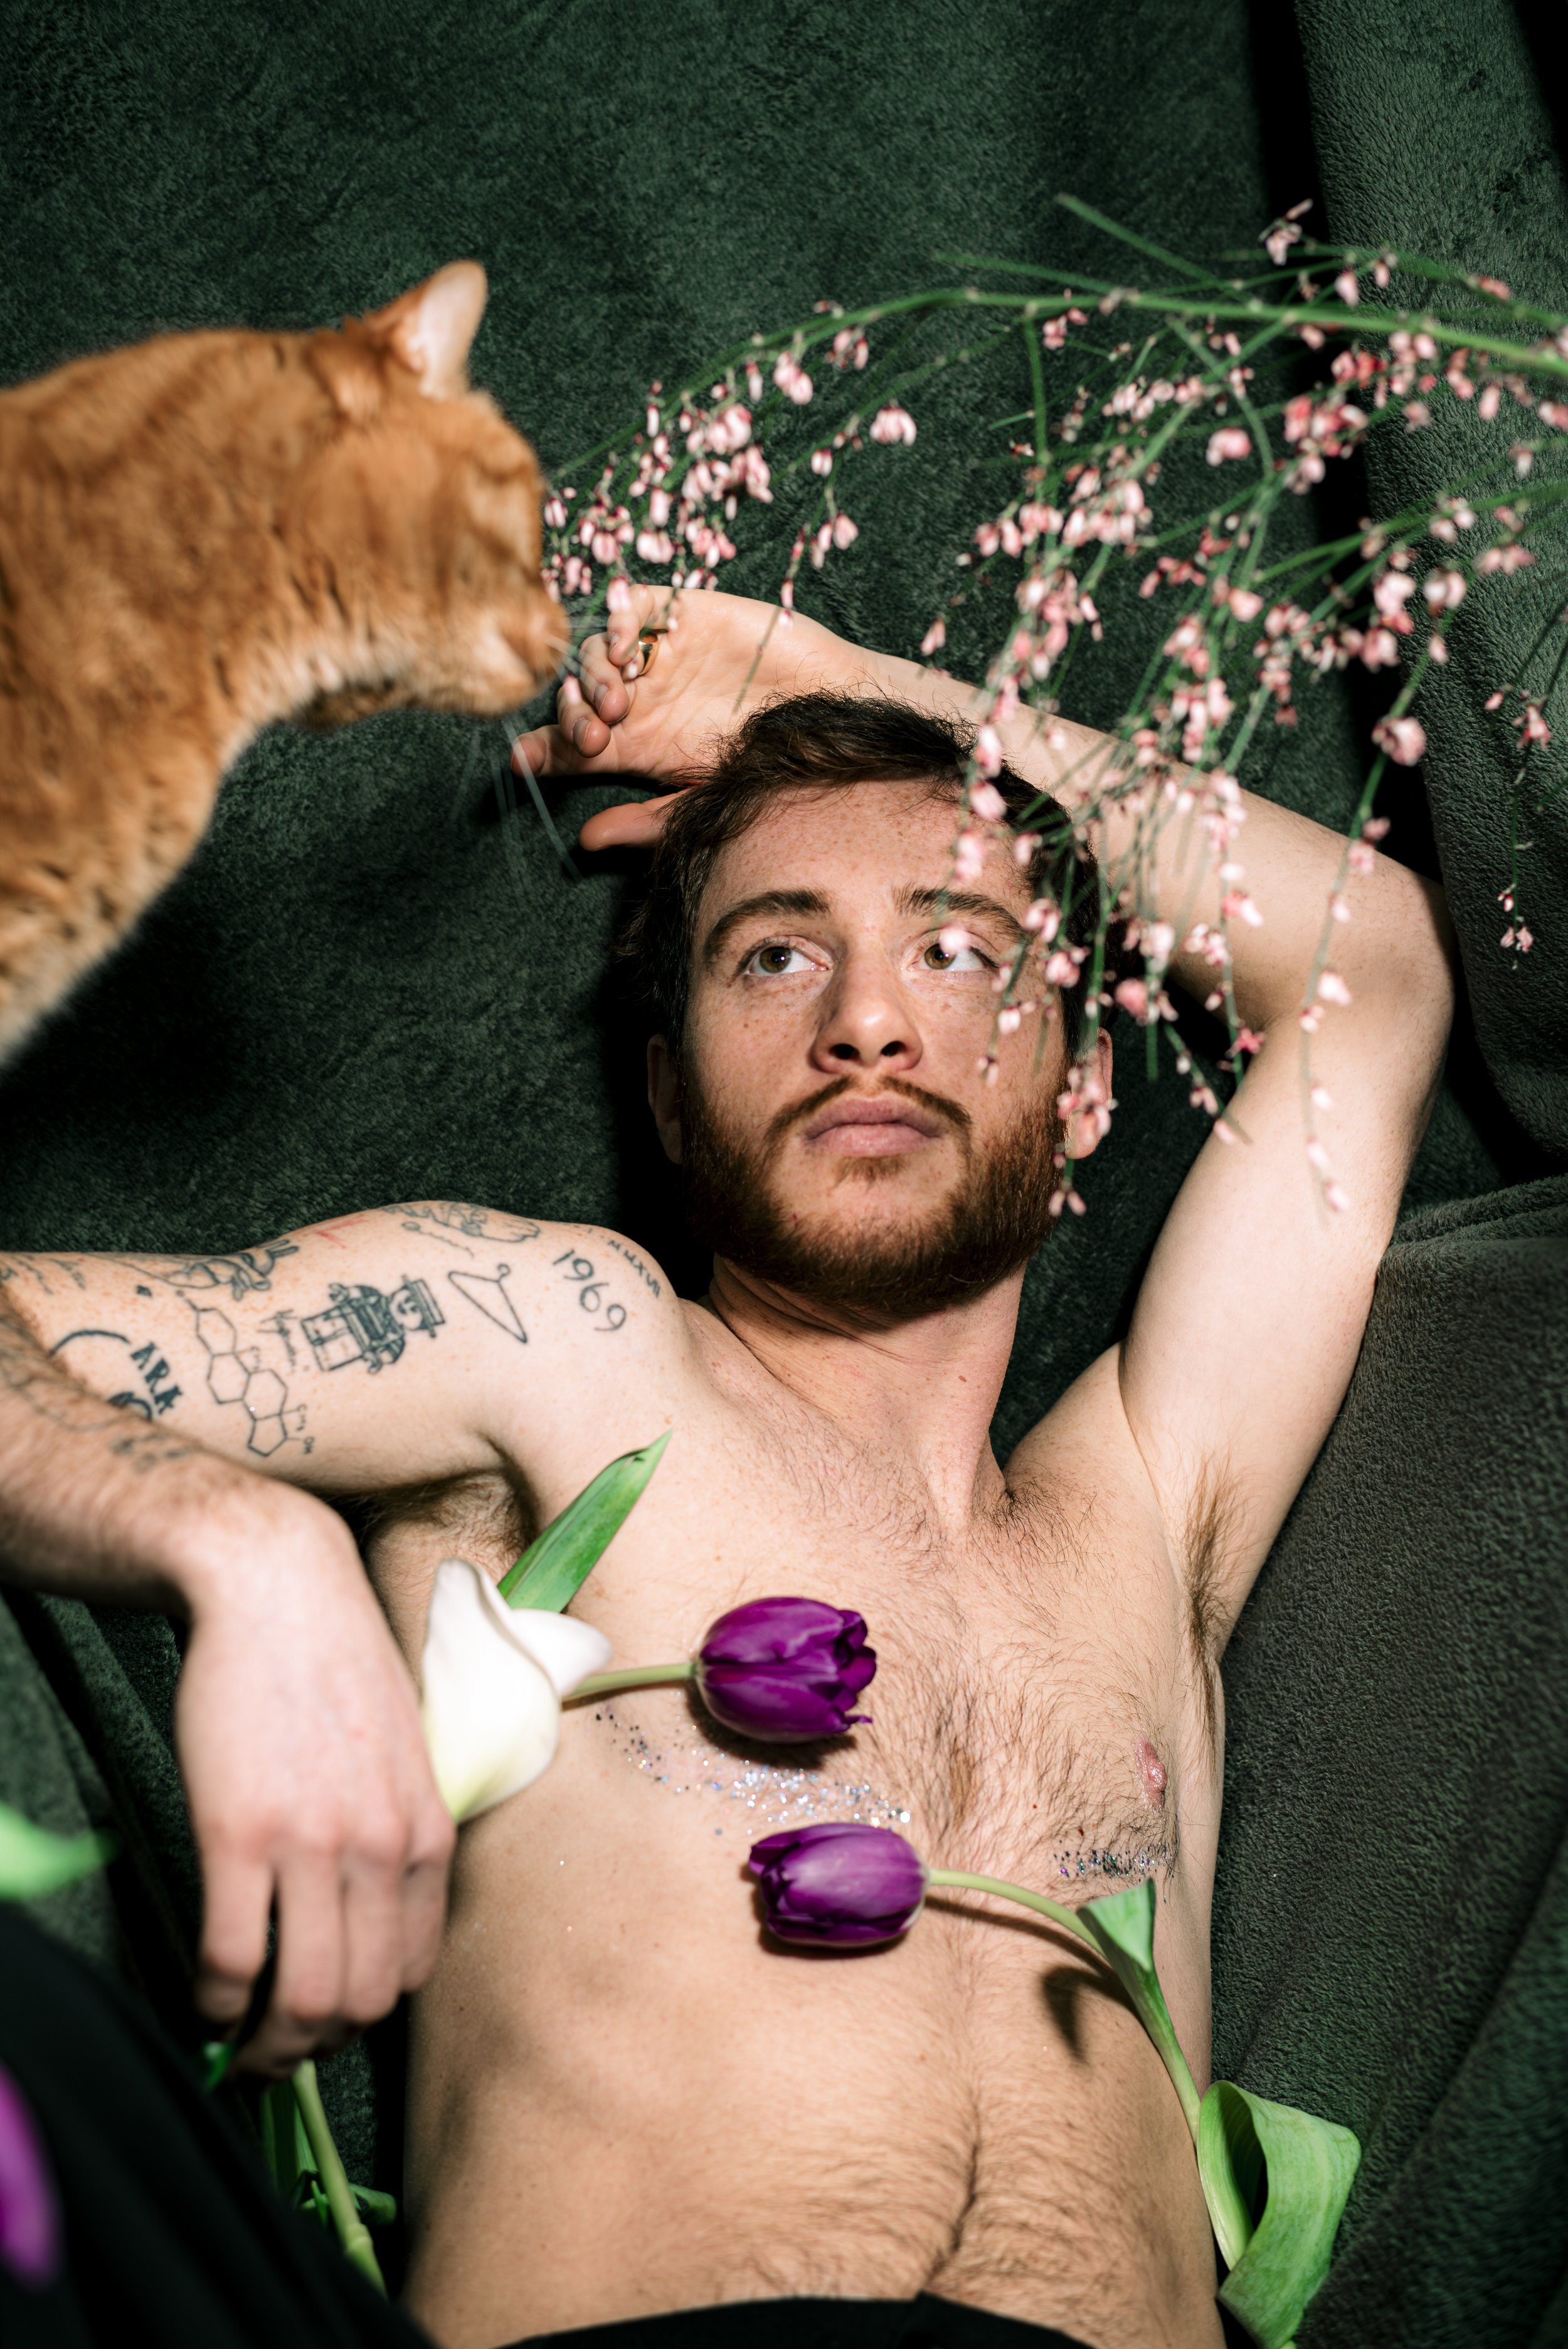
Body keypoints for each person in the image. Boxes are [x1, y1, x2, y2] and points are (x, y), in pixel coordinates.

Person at [0, 585, 1455, 2349]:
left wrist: (838, 685)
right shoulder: (560, 1340)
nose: (867, 1020)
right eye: (775, 954)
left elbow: (1372, 967)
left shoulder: (1151, 1503)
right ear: (671, 1092)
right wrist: (244, 1549)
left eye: (958, 950)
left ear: (1079, 1086)